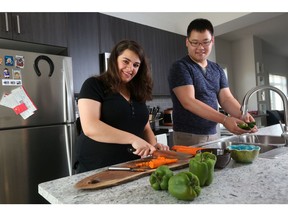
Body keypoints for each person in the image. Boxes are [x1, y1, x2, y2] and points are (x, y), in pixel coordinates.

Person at [75, 39, 169, 173]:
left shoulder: (137, 92)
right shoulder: (93, 85)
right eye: (126, 61)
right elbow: (90, 126)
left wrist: (153, 146)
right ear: (114, 60)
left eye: (136, 65)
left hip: (132, 166)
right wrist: (133, 139)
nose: (130, 69)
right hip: (98, 168)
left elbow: (145, 127)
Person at [168, 18, 258, 146]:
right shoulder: (180, 67)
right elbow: (189, 102)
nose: (200, 48)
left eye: (205, 42)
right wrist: (225, 119)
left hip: (214, 133)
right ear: (187, 42)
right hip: (188, 136)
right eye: (195, 43)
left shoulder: (217, 69)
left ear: (212, 41)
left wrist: (243, 115)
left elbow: (226, 99)